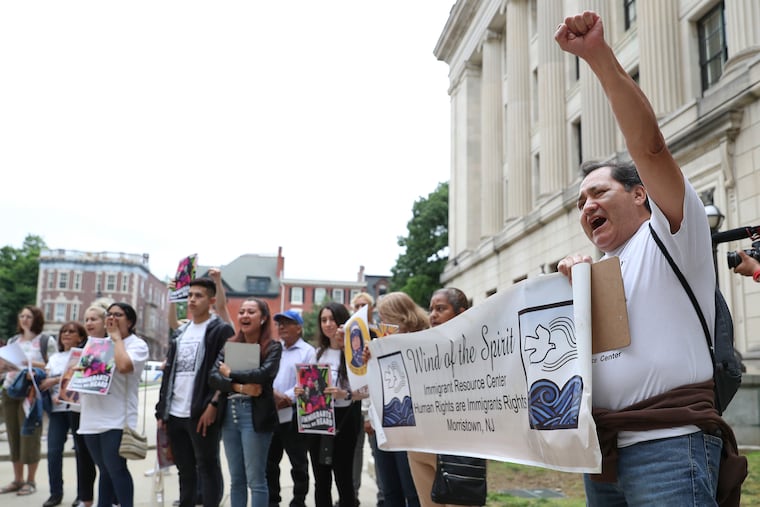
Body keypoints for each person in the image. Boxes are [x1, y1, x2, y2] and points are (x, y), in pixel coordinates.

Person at [555, 11, 746, 505]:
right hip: (603, 457)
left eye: (599, 192)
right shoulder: (593, 273)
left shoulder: (671, 233)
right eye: (580, 203)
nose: (587, 206)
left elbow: (651, 146)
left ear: (642, 196)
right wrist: (569, 293)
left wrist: (597, 56)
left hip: (671, 450)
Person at [155, 278, 235, 507]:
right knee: (184, 469)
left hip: (201, 411)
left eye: (198, 296)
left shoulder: (220, 330)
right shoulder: (181, 332)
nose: (191, 300)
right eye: (189, 295)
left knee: (207, 466)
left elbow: (228, 370)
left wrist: (214, 404)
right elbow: (170, 371)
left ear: (211, 300)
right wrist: (162, 412)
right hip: (176, 412)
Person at [405, 288, 479, 507]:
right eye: (431, 309)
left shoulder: (481, 347)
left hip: (460, 446)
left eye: (441, 308)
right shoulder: (417, 347)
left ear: (460, 312)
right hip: (421, 445)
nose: (433, 315)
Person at [209, 295, 282, 507]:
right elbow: (213, 378)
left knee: (256, 480)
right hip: (230, 413)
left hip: (255, 415)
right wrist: (239, 386)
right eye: (241, 312)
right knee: (236, 479)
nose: (244, 316)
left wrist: (230, 372)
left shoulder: (273, 346)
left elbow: (263, 375)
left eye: (251, 312)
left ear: (263, 318)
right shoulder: (229, 345)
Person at [78, 302, 149, 507]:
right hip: (91, 415)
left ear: (130, 321)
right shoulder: (97, 344)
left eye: (118, 315)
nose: (112, 318)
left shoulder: (137, 345)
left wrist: (117, 338)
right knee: (104, 469)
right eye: (109, 314)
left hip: (117, 417)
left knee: (116, 468)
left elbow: (125, 366)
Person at [303, 302, 364, 507]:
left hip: (345, 419)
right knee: (321, 479)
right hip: (318, 419)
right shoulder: (317, 353)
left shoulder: (354, 353)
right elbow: (310, 387)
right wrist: (301, 391)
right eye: (323, 320)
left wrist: (343, 393)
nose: (328, 324)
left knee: (344, 477)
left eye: (332, 319)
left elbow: (365, 390)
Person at [370, 292, 423, 507]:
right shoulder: (380, 344)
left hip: (410, 425)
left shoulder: (423, 340)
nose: (380, 324)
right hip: (383, 425)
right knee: (390, 490)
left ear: (400, 316)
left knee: (412, 490)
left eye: (384, 318)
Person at [0, 305, 56, 497]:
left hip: (31, 393)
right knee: (13, 434)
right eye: (21, 315)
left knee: (30, 435)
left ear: (36, 319)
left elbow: (54, 365)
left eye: (28, 316)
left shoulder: (45, 341)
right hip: (10, 390)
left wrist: (30, 364)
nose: (24, 319)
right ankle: (18, 479)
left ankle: (31, 481)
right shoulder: (14, 340)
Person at [266, 309, 316, 507]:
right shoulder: (273, 349)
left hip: (294, 413)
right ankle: (272, 500)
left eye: (287, 323)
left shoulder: (308, 352)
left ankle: (298, 500)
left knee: (298, 462)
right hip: (272, 412)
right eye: (279, 323)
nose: (282, 327)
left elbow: (308, 383)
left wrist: (285, 397)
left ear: (299, 327)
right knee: (270, 462)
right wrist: (274, 396)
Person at [40, 322, 88, 507]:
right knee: (53, 452)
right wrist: (51, 388)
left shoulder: (82, 356)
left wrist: (55, 380)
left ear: (80, 337)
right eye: (63, 332)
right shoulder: (54, 358)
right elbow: (46, 382)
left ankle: (82, 495)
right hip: (57, 412)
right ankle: (55, 493)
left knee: (81, 455)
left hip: (76, 410)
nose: (66, 334)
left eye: (71, 332)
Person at [351, 293, 383, 507]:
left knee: (379, 453)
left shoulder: (380, 334)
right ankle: (351, 495)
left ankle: (383, 497)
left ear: (372, 309)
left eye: (365, 305)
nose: (361, 308)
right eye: (358, 305)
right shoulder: (347, 334)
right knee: (353, 454)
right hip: (353, 404)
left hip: (375, 405)